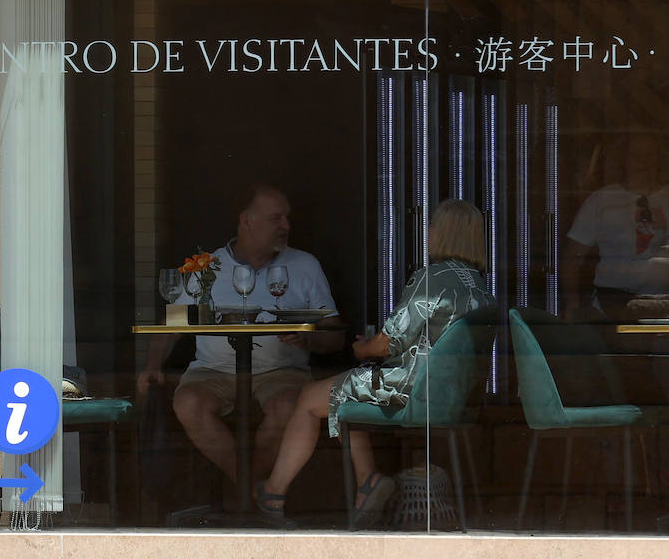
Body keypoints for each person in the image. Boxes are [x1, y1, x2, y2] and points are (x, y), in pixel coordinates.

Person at [258, 198, 494, 525]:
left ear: (443, 233)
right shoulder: (481, 288)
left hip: (413, 390)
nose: (427, 231)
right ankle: (367, 481)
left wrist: (362, 349)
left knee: (311, 397)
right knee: (338, 394)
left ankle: (272, 495)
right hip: (451, 397)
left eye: (432, 226)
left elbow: (387, 343)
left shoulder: (432, 279)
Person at [138, 184, 343, 485]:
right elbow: (172, 324)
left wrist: (309, 339)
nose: (286, 226)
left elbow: (335, 334)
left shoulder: (304, 265)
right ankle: (250, 488)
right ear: (247, 221)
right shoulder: (207, 266)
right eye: (276, 218)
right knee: (188, 402)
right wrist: (152, 365)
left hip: (282, 371)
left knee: (290, 406)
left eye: (287, 218)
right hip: (213, 371)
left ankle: (245, 495)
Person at [564, 133, 669, 321]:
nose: (642, 162)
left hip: (664, 306)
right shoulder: (601, 200)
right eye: (635, 156)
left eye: (649, 155)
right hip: (611, 307)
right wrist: (572, 307)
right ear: (624, 160)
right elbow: (572, 258)